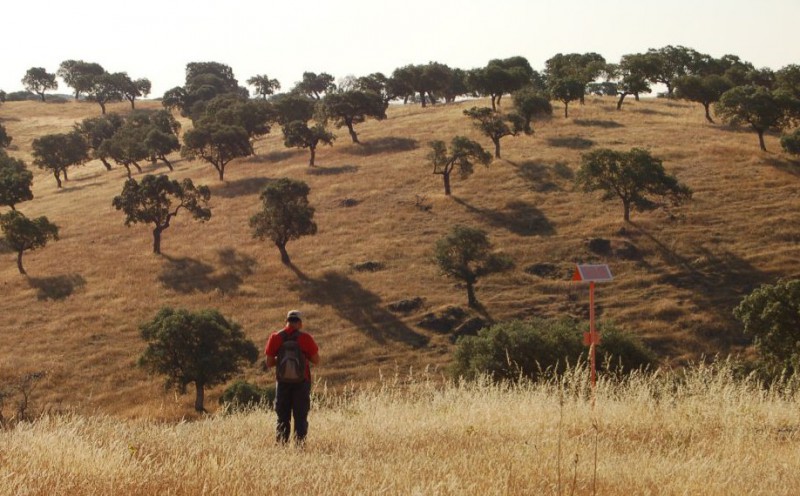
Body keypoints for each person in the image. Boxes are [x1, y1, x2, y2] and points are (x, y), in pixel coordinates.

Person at [264, 309, 320, 444]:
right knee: (300, 417)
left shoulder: (275, 337)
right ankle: (300, 447)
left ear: (286, 322)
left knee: (282, 418)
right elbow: (316, 361)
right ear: (300, 323)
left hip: (282, 383)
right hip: (302, 382)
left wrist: (283, 361)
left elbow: (269, 363)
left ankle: (282, 446)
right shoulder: (305, 338)